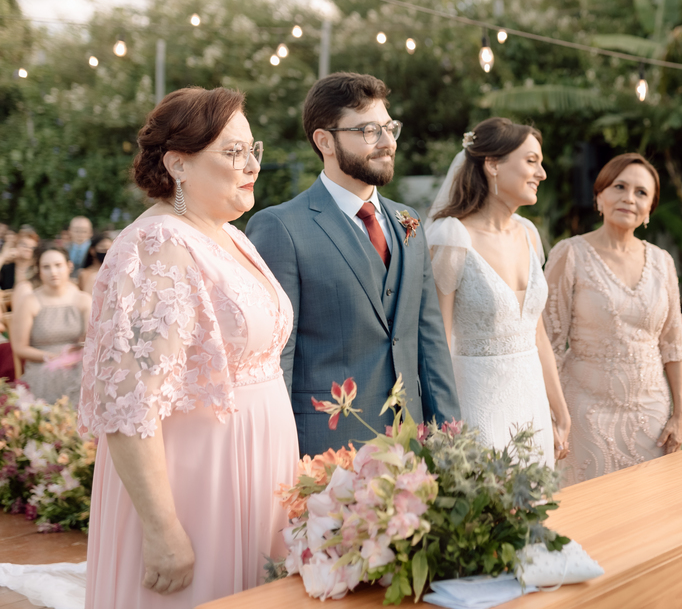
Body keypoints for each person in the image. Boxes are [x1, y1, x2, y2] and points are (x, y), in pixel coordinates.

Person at [79, 87, 297, 608]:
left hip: (259, 475)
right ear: (178, 163)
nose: (252, 165)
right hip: (197, 483)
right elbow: (127, 403)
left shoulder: (231, 236)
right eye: (233, 152)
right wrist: (163, 529)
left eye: (252, 149)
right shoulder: (157, 245)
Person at [246, 72, 459, 456]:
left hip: (410, 447)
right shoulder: (281, 227)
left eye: (390, 128)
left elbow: (428, 342)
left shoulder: (408, 221)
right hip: (326, 452)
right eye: (369, 131)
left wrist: (449, 442)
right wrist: (278, 460)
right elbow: (277, 359)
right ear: (324, 141)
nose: (388, 142)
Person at [426, 118, 569, 467]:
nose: (542, 173)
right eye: (532, 161)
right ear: (492, 164)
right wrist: (445, 422)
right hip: (478, 405)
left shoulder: (528, 233)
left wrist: (559, 408)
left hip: (533, 405)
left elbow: (537, 334)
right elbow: (438, 341)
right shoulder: (452, 237)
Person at [544, 153, 682, 486]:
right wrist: (552, 412)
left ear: (650, 208)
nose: (629, 198)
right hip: (585, 411)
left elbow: (673, 342)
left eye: (641, 192)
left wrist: (679, 414)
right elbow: (548, 342)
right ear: (599, 196)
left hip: (651, 414)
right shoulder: (570, 253)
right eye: (619, 187)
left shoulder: (663, 262)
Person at [9, 244, 90, 404]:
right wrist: (54, 357)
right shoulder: (29, 302)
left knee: (89, 375)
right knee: (56, 375)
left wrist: (76, 353)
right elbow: (20, 347)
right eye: (46, 267)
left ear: (69, 266)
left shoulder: (83, 299)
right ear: (39, 271)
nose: (53, 272)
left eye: (58, 265)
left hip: (77, 360)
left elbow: (92, 339)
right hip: (42, 364)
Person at [0, 226, 38, 292]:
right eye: (24, 245)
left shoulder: (36, 270)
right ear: (16, 246)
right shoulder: (7, 268)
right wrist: (3, 257)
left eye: (32, 247)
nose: (28, 249)